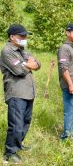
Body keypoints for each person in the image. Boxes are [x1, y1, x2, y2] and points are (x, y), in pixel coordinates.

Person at [0, 24, 41, 164]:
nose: (25, 38)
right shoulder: (7, 51)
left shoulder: (22, 50)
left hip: (28, 91)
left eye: (25, 36)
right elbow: (19, 71)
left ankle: (18, 144)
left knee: (26, 121)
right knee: (16, 124)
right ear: (12, 37)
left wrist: (28, 64)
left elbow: (38, 64)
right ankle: (10, 152)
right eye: (21, 36)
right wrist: (29, 65)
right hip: (16, 92)